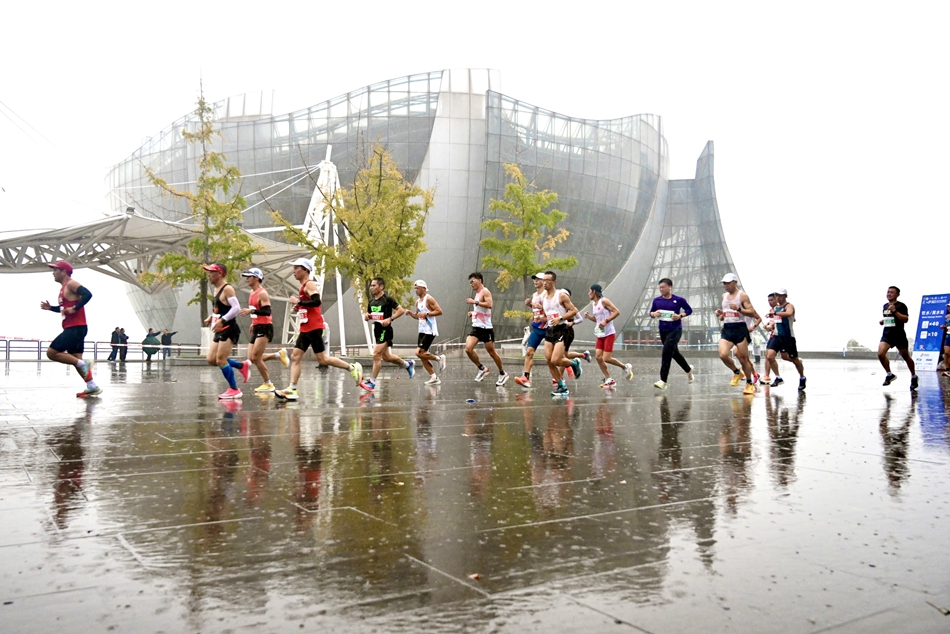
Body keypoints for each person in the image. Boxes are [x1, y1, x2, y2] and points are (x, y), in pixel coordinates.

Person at [276, 258, 363, 400]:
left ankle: (352, 368)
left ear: (305, 270)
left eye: (296, 268)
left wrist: (299, 301)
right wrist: (300, 306)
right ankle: (292, 389)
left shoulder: (309, 284)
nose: (294, 271)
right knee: (297, 357)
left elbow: (317, 301)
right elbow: (308, 304)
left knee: (323, 359)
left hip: (314, 327)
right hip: (306, 328)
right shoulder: (303, 286)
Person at [40, 260, 100, 397]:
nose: (53, 273)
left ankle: (84, 363)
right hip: (75, 327)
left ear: (64, 272)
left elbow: (87, 294)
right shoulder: (63, 288)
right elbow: (64, 309)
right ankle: (92, 386)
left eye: (55, 270)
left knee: (51, 353)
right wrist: (51, 309)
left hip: (75, 327)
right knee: (75, 359)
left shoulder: (71, 283)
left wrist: (75, 308)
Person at [237, 267, 289, 393]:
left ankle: (268, 383)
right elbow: (256, 312)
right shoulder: (251, 293)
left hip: (265, 327)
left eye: (249, 276)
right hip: (257, 326)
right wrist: (253, 322)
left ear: (256, 278)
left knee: (256, 357)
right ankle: (278, 355)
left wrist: (252, 311)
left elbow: (267, 311)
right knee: (251, 358)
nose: (247, 279)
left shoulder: (262, 293)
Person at [202, 263, 249, 400]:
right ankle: (241, 365)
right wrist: (212, 316)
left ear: (220, 273)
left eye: (211, 272)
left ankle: (235, 389)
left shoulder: (227, 289)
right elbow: (222, 308)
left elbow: (236, 308)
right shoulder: (216, 290)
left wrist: (222, 320)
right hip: (220, 329)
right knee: (211, 359)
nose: (209, 275)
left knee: (221, 360)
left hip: (229, 329)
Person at [361, 276, 413, 391]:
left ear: (381, 286)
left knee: (376, 354)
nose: (371, 287)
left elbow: (401, 310)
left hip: (386, 330)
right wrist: (367, 316)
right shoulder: (372, 300)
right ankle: (407, 364)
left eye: (374, 285)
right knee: (387, 357)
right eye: (371, 285)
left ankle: (372, 382)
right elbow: (369, 313)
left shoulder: (388, 299)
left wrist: (390, 319)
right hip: (377, 330)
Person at [715, 273, 761, 395]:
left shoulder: (743, 296)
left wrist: (739, 309)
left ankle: (749, 383)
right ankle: (736, 372)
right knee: (723, 354)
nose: (726, 286)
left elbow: (752, 312)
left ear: (735, 282)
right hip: (728, 328)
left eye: (728, 283)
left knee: (743, 358)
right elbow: (724, 316)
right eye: (724, 283)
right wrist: (720, 314)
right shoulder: (724, 296)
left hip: (740, 328)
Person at [582, 284, 633, 388]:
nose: (588, 294)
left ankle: (625, 367)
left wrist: (606, 321)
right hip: (600, 334)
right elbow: (598, 320)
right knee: (598, 356)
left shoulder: (604, 301)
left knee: (606, 358)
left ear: (594, 291)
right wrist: (589, 317)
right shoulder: (594, 304)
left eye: (589, 291)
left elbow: (616, 312)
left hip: (609, 333)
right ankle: (609, 379)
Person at [541, 271, 582, 396]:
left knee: (556, 360)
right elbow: (547, 315)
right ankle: (561, 386)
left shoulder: (561, 296)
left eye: (547, 280)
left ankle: (574, 363)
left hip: (562, 329)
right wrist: (541, 319)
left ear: (554, 282)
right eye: (544, 280)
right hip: (550, 330)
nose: (544, 283)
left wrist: (561, 318)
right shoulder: (543, 298)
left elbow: (574, 311)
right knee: (548, 360)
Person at [648, 278, 693, 390]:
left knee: (666, 352)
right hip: (663, 330)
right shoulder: (657, 300)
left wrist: (680, 316)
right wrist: (654, 314)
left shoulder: (679, 300)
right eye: (660, 287)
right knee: (674, 353)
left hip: (675, 329)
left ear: (670, 287)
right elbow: (651, 312)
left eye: (663, 287)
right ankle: (688, 369)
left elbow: (689, 310)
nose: (661, 289)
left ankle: (663, 381)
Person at [464, 272, 509, 386]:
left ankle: (502, 373)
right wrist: (473, 313)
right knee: (468, 349)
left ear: (479, 280)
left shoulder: (485, 291)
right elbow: (482, 310)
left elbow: (489, 305)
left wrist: (475, 302)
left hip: (486, 328)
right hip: (476, 327)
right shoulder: (478, 293)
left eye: (472, 281)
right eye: (470, 282)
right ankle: (482, 368)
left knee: (492, 352)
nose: (471, 284)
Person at [405, 280, 446, 385]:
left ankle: (439, 358)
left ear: (423, 288)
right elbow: (418, 316)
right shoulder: (417, 302)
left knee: (418, 353)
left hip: (429, 330)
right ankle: (434, 377)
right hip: (422, 330)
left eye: (417, 288)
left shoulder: (429, 299)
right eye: (415, 288)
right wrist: (411, 314)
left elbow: (439, 311)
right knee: (422, 355)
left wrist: (427, 313)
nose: (416, 290)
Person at [877, 285, 917, 390]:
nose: (889, 294)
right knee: (880, 354)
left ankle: (914, 376)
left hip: (899, 335)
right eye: (888, 292)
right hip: (887, 334)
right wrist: (883, 321)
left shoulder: (901, 306)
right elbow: (889, 318)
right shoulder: (885, 305)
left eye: (892, 292)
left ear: (897, 295)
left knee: (906, 357)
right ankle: (889, 374)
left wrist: (895, 311)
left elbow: (905, 319)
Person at [515, 274, 549, 389]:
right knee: (529, 352)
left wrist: (542, 307)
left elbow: (551, 310)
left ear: (544, 281)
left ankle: (569, 367)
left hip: (549, 328)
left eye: (538, 279)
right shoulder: (535, 295)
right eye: (534, 279)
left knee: (552, 357)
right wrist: (530, 304)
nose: (535, 281)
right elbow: (537, 310)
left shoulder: (547, 294)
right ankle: (525, 378)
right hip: (537, 327)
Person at [772, 289, 806, 391]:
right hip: (778, 336)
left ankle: (802, 377)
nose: (778, 298)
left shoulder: (789, 306)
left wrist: (776, 313)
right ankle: (777, 377)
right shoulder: (776, 308)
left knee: (794, 359)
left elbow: (789, 313)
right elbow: (777, 319)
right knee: (780, 356)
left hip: (788, 336)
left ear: (785, 296)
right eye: (777, 296)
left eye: (780, 296)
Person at [761, 294, 782, 385]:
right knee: (768, 355)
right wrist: (767, 326)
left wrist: (769, 326)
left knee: (785, 356)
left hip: (781, 335)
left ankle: (796, 360)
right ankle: (767, 375)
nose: (770, 302)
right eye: (769, 300)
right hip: (773, 335)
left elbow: (779, 322)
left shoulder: (779, 309)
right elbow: (772, 323)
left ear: (776, 299)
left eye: (772, 300)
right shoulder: (771, 310)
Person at [942, 302, 950, 378]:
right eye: (948, 307)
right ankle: (947, 369)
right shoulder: (947, 316)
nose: (949, 308)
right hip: (948, 336)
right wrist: (944, 326)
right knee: (946, 353)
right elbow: (947, 326)